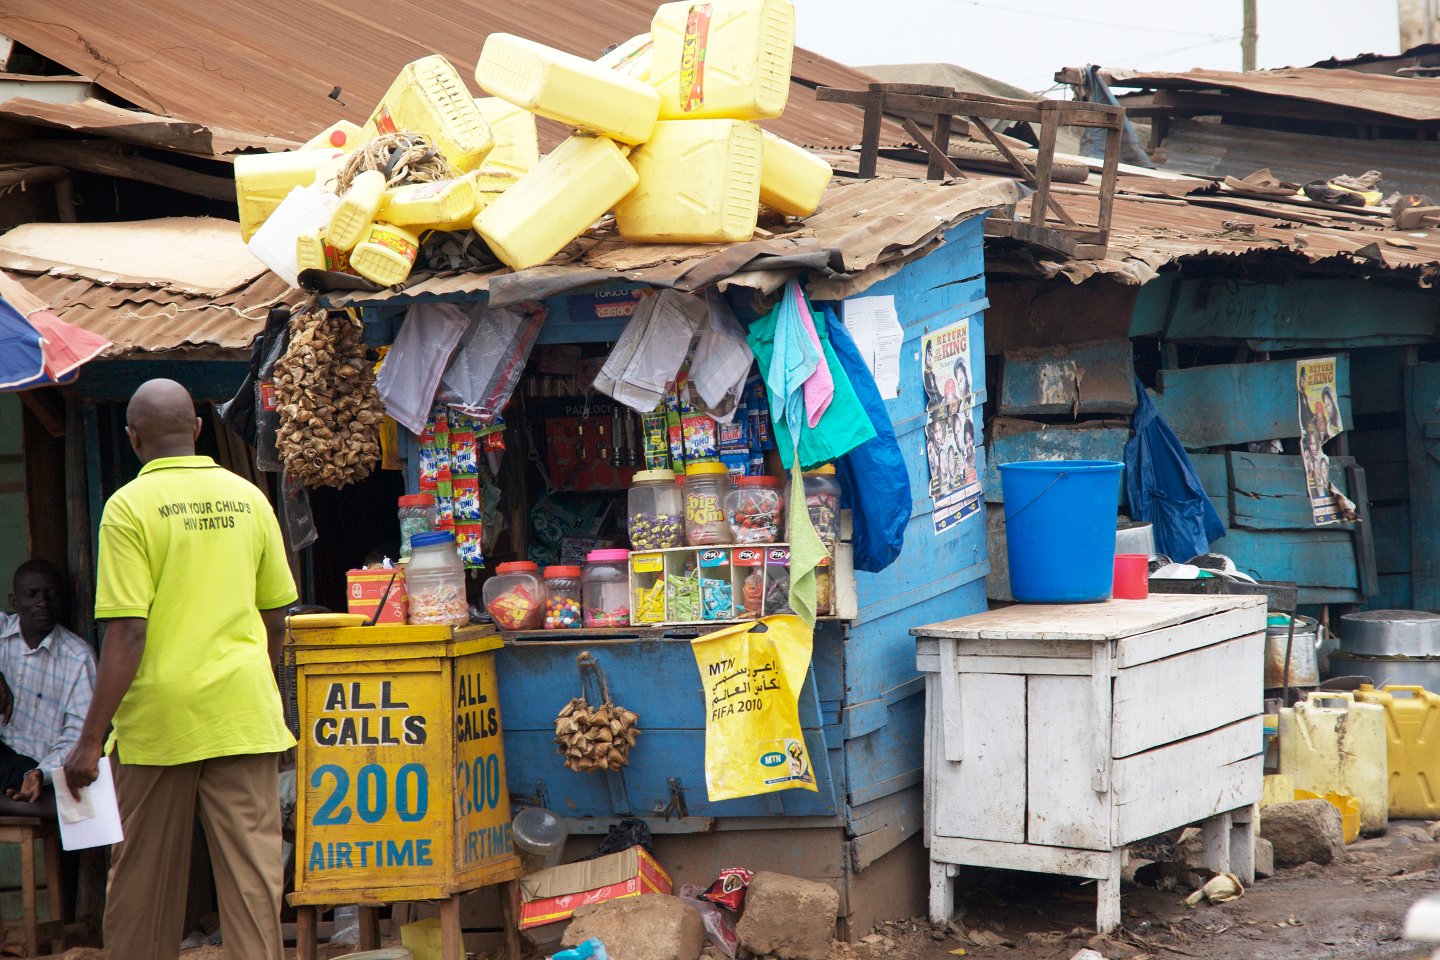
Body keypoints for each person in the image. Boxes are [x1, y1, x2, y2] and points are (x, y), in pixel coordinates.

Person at [63, 379, 298, 960]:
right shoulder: (249, 497)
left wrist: (90, 742)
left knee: (143, 883)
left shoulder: (128, 508)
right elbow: (276, 613)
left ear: (133, 438)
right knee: (254, 884)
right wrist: (260, 685)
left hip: (161, 721)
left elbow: (128, 630)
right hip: (243, 712)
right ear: (197, 429)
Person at [0, 560, 96, 804]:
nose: (42, 603)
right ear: (14, 601)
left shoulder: (78, 657)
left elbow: (78, 736)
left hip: (34, 768)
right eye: (32, 595)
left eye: (50, 595)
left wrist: (40, 773)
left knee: (66, 801)